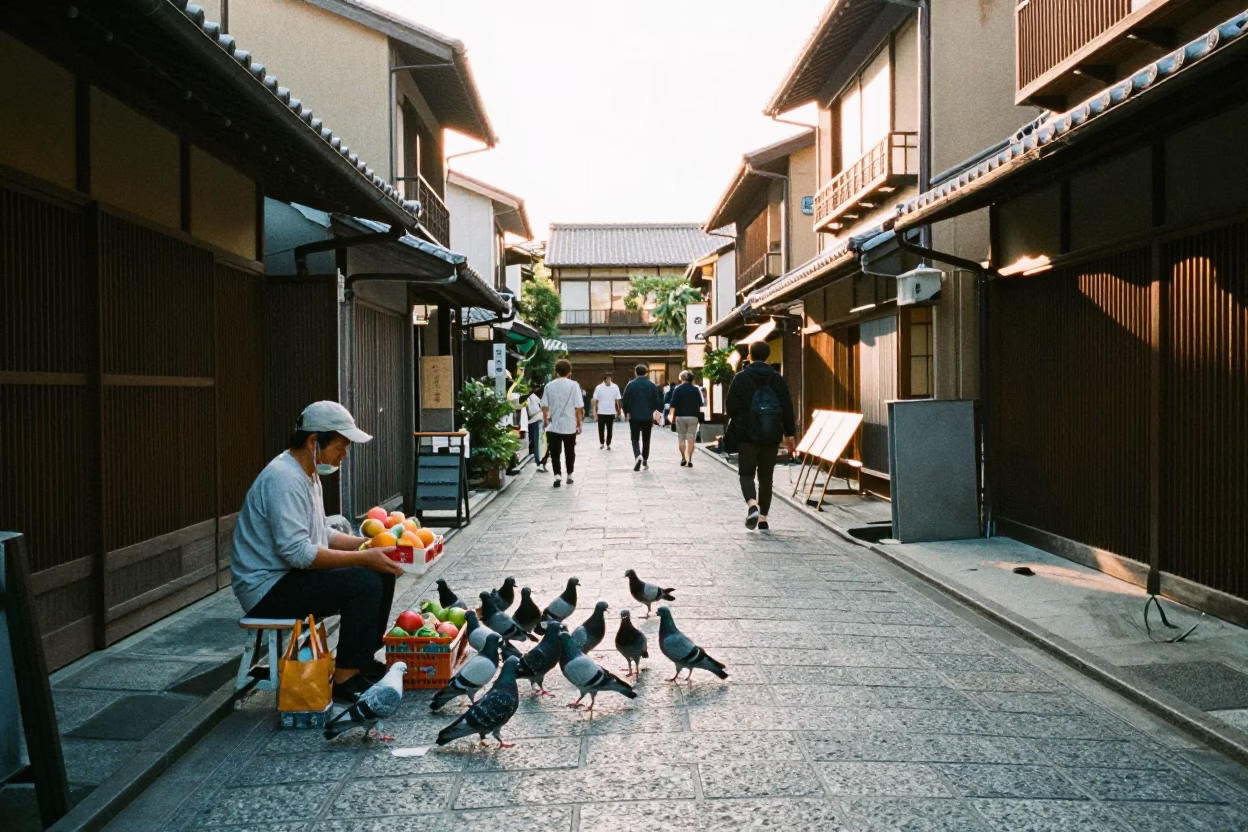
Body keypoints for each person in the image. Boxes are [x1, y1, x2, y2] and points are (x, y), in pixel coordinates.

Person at [231, 401, 404, 704]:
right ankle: (345, 678)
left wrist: (371, 547)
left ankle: (359, 661)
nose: (344, 455)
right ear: (314, 441)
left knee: (381, 570)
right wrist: (364, 557)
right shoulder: (283, 478)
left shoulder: (307, 473)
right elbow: (298, 553)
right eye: (340, 447)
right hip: (266, 590)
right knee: (365, 581)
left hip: (289, 578)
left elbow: (320, 533)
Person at [725, 342, 796, 530]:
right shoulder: (777, 378)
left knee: (746, 474)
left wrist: (741, 422)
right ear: (768, 356)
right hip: (771, 435)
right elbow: (787, 407)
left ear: (749, 355)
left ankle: (752, 505)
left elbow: (730, 406)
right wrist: (790, 434)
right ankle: (763, 517)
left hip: (747, 435)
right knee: (766, 477)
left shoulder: (741, 378)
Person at [541, 359, 583, 487]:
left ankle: (557, 475)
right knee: (570, 450)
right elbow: (578, 406)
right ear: (570, 371)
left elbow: (544, 406)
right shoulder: (574, 385)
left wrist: (545, 421)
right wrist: (579, 423)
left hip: (554, 425)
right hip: (570, 424)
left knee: (555, 452)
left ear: (556, 371)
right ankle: (570, 474)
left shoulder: (549, 386)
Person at [621, 363, 663, 472]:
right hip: (647, 415)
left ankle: (637, 456)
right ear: (646, 372)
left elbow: (625, 400)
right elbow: (656, 401)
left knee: (635, 438)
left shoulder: (631, 384)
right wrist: (653, 410)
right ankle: (645, 459)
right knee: (646, 439)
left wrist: (627, 412)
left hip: (634, 415)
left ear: (635, 372)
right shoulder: (651, 385)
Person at [669, 370, 705, 467]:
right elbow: (700, 405)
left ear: (682, 378)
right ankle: (690, 459)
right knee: (691, 438)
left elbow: (673, 405)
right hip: (693, 416)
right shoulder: (695, 389)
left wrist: (671, 416)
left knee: (681, 438)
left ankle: (683, 458)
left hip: (681, 416)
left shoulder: (678, 389)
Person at [592, 371, 623, 450]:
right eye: (607, 379)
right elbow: (595, 400)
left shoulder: (615, 387)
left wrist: (619, 410)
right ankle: (602, 442)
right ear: (605, 379)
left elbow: (617, 399)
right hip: (601, 411)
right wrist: (594, 411)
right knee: (601, 429)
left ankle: (608, 443)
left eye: (610, 379)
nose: (608, 380)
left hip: (611, 411)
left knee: (610, 429)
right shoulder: (599, 387)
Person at [525, 384, 546, 472]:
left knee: (539, 442)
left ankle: (540, 462)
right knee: (539, 442)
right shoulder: (531, 397)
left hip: (536, 419)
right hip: (536, 419)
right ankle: (540, 462)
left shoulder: (532, 397)